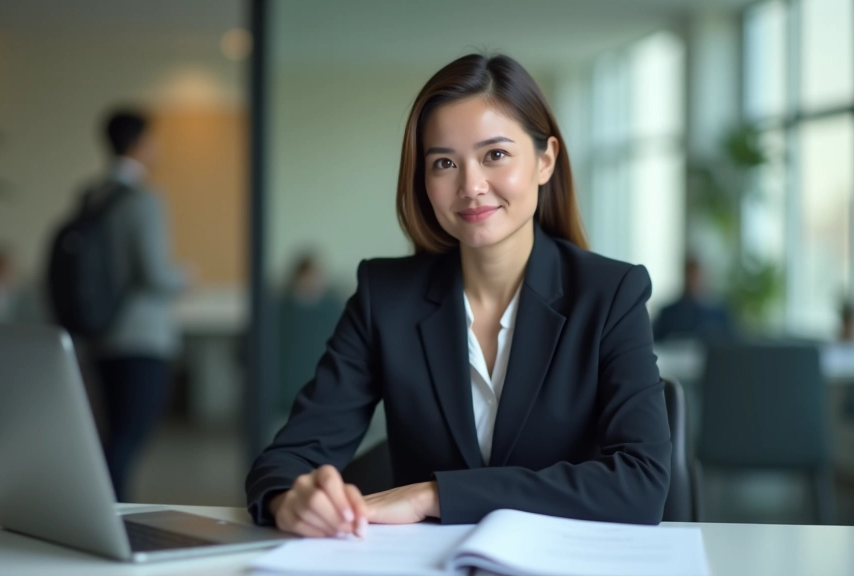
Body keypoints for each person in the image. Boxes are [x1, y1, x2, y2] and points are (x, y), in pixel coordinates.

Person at [245, 53, 671, 538]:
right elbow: (288, 459)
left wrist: (434, 494)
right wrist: (290, 500)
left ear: (545, 160)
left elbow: (642, 484)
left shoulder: (610, 294)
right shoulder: (384, 297)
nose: (471, 187)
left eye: (495, 155)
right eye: (444, 163)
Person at [88, 108, 190, 502]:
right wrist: (186, 277)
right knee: (128, 438)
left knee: (113, 432)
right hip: (141, 337)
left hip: (100, 333)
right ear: (139, 145)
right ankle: (109, 513)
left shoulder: (92, 195)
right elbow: (154, 274)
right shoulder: (144, 199)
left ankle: (106, 511)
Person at [276, 253, 344, 416]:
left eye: (315, 278)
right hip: (286, 391)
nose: (311, 283)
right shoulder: (280, 312)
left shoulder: (332, 310)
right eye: (307, 278)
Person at [652, 256, 736, 342]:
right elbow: (655, 342)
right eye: (690, 274)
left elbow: (731, 343)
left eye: (697, 275)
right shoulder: (668, 314)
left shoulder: (718, 313)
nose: (693, 279)